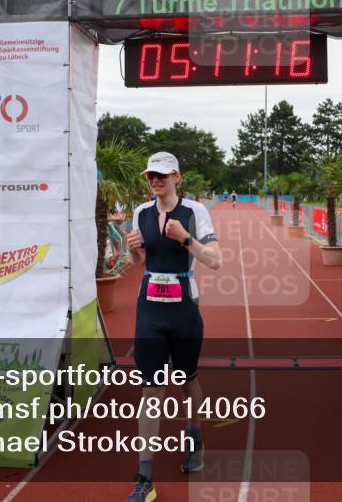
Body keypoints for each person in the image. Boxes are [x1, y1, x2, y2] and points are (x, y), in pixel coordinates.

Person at [124, 152, 222, 502]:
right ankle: (144, 478)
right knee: (151, 391)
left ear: (177, 177)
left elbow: (215, 260)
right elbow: (140, 262)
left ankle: (194, 440)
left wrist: (185, 239)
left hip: (184, 308)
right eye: (151, 175)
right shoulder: (141, 213)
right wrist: (133, 250)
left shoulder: (194, 212)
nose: (155, 180)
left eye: (162, 175)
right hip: (149, 309)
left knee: (187, 380)